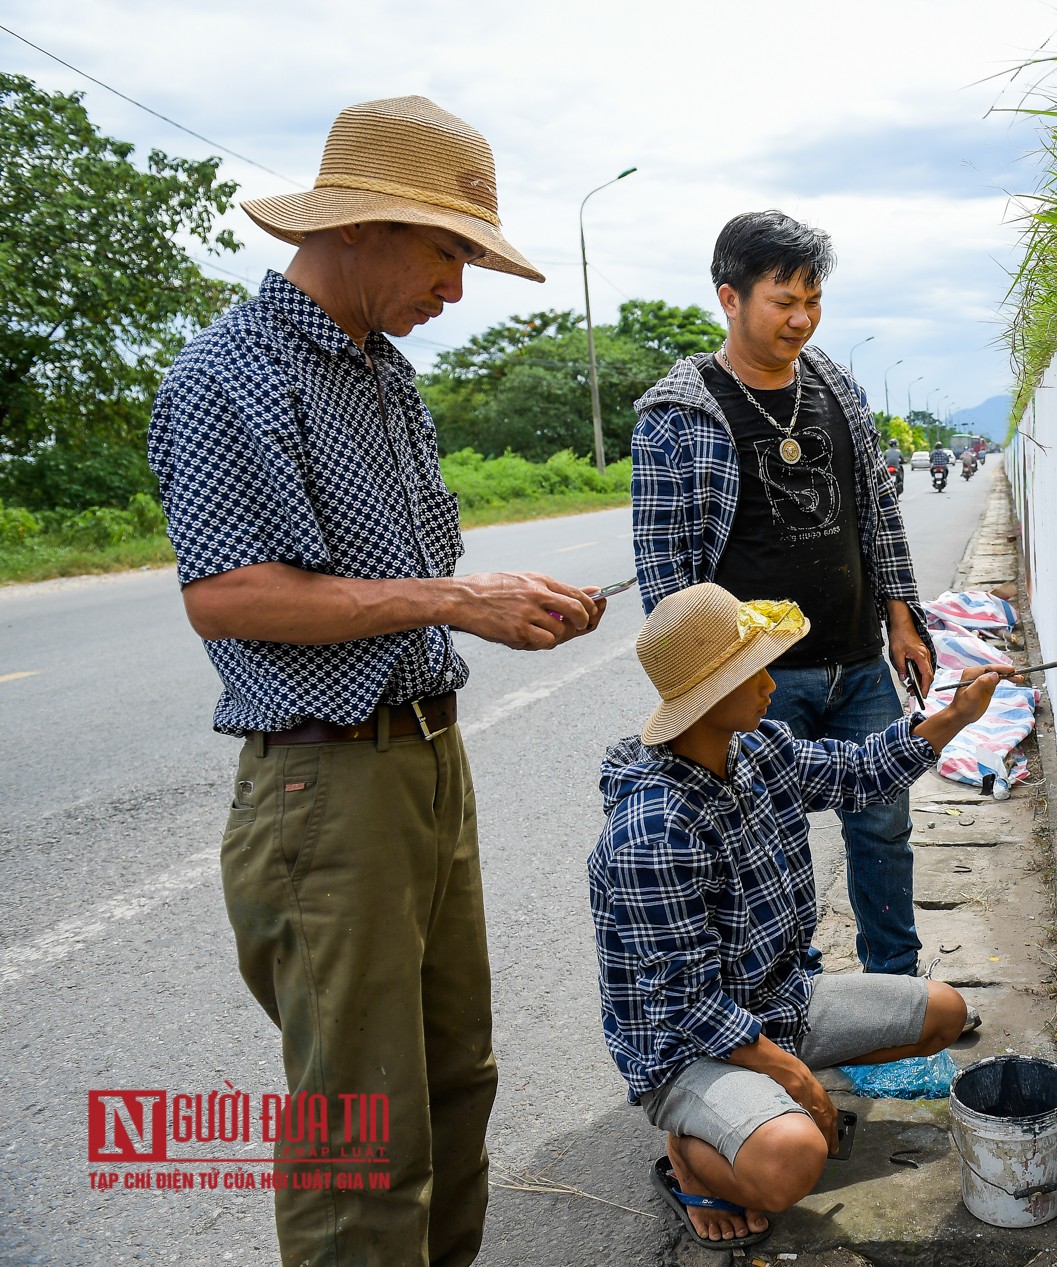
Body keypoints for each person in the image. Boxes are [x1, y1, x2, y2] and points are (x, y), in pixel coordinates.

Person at [146, 96, 603, 1267]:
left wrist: (503, 604)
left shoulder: (386, 379)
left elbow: (418, 570)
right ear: (357, 228)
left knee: (456, 1078)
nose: (456, 288)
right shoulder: (227, 374)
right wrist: (456, 602)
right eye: (447, 250)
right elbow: (230, 595)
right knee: (363, 1128)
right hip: (324, 786)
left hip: (425, 767)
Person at [589, 584, 1006, 1248]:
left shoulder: (758, 751)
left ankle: (753, 1107)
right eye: (752, 671)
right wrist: (797, 1077)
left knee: (945, 1011)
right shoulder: (655, 829)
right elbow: (688, 1004)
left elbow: (861, 770)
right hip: (689, 1048)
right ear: (706, 697)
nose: (772, 685)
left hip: (780, 1001)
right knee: (795, 1157)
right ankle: (690, 1156)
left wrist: (956, 715)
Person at [629, 211, 941, 983]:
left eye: (813, 299)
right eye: (783, 300)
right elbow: (665, 570)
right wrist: (702, 692)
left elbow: (877, 511)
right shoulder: (678, 414)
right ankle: (786, 1002)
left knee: (883, 825)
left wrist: (902, 618)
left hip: (857, 659)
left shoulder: (837, 387)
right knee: (765, 846)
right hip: (757, 681)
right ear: (730, 298)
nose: (801, 318)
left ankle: (893, 990)